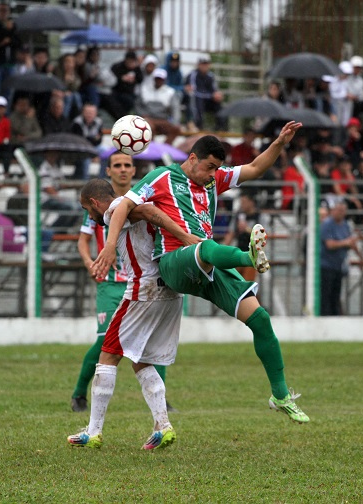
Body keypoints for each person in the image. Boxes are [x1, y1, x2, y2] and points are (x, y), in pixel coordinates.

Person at [92, 121, 310, 424]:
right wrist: (109, 245)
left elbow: (255, 168)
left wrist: (279, 143)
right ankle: (248, 255)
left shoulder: (213, 181)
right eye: (208, 167)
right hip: (173, 262)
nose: (212, 175)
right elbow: (123, 207)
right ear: (192, 158)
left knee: (259, 319)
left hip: (206, 262)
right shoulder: (162, 177)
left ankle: (281, 395)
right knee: (205, 247)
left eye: (216, 170)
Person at [67, 177, 201, 450]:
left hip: (144, 291)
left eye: (86, 209)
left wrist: (185, 237)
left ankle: (93, 432)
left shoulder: (117, 206)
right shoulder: (124, 206)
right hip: (169, 291)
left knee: (107, 355)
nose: (88, 215)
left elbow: (151, 211)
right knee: (141, 360)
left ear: (94, 203)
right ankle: (163, 426)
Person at [70, 153, 174, 413]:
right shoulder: (94, 206)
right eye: (118, 165)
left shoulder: (140, 200)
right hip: (110, 283)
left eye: (128, 165)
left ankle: (162, 400)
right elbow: (82, 240)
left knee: (151, 344)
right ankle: (79, 395)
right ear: (109, 170)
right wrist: (90, 262)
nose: (123, 170)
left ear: (133, 169)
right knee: (105, 341)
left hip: (142, 281)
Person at [319, 201, 360, 316]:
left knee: (335, 295)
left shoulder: (345, 224)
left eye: (343, 211)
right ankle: (325, 319)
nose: (341, 213)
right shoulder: (327, 224)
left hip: (338, 265)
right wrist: (345, 243)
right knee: (326, 296)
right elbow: (330, 244)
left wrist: (359, 256)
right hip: (326, 265)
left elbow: (350, 241)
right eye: (339, 210)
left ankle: (335, 318)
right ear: (333, 211)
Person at [135, 68, 181, 145]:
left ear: (164, 80)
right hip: (148, 119)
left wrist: (175, 121)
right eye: (157, 78)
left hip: (163, 120)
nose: (159, 81)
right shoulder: (144, 89)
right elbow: (137, 105)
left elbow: (175, 109)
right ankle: (151, 149)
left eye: (161, 79)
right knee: (149, 128)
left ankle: (165, 147)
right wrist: (142, 114)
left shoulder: (170, 92)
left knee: (176, 129)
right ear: (154, 79)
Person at [185, 55, 225, 131]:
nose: (204, 66)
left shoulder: (211, 76)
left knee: (219, 104)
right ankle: (198, 126)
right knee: (196, 101)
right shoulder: (192, 75)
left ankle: (220, 128)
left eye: (206, 63)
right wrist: (211, 95)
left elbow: (214, 90)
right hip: (197, 99)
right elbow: (193, 91)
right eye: (202, 63)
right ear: (198, 64)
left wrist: (217, 94)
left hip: (208, 100)